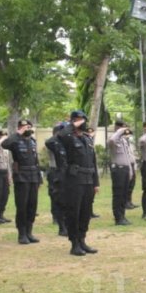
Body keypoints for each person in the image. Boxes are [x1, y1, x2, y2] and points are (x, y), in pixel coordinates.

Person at [56, 110, 99, 256]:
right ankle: (74, 243)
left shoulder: (87, 139)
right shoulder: (67, 137)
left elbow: (93, 162)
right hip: (74, 180)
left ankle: (82, 240)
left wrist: (96, 182)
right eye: (79, 120)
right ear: (73, 121)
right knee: (74, 212)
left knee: (86, 212)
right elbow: (58, 136)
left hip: (88, 179)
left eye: (83, 119)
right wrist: (71, 125)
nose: (82, 122)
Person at [2, 118, 42, 244]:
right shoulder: (15, 141)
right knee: (22, 206)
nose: (27, 129)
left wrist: (39, 178)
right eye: (24, 127)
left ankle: (29, 232)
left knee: (32, 205)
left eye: (29, 127)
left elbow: (36, 160)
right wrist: (18, 133)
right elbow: (5, 144)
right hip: (22, 177)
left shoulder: (32, 141)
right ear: (19, 128)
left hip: (33, 176)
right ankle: (22, 234)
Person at [107, 120, 133, 226]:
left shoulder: (123, 141)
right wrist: (120, 131)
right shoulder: (113, 139)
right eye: (123, 127)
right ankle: (118, 217)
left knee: (124, 194)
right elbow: (112, 139)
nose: (125, 130)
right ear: (117, 127)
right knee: (118, 194)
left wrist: (130, 170)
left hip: (126, 169)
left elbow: (127, 157)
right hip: (118, 170)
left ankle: (122, 216)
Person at [45, 123, 69, 236]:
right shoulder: (53, 143)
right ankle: (59, 221)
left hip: (66, 172)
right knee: (56, 198)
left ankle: (65, 222)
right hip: (55, 172)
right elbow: (50, 142)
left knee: (66, 199)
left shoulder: (66, 143)